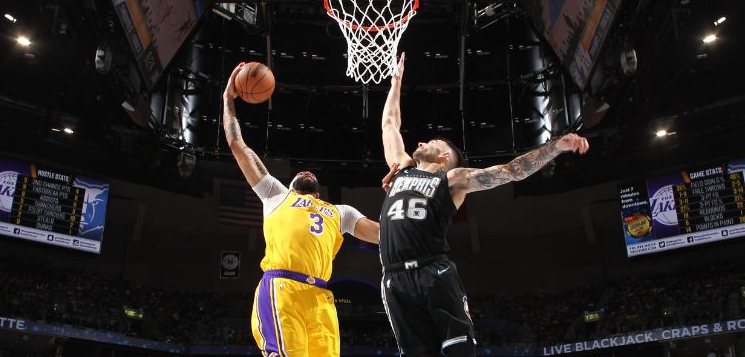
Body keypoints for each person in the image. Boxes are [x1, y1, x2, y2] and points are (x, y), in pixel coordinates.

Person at [379, 54, 589, 357]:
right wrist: (396, 82)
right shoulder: (400, 169)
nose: (422, 142)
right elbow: (389, 124)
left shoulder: (451, 180)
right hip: (394, 278)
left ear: (443, 158)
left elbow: (511, 171)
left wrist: (555, 146)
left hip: (432, 272)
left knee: (460, 351)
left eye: (433, 143)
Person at [222, 62, 383, 357]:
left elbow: (383, 235)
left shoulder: (340, 212)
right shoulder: (276, 194)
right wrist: (227, 101)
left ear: (318, 194)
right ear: (291, 185)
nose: (306, 172)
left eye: (311, 175)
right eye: (300, 174)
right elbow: (237, 145)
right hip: (282, 288)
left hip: (320, 299)